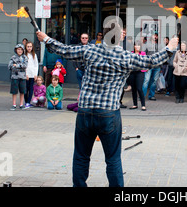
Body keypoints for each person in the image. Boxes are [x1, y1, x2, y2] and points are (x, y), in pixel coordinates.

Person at [36, 23, 178, 187]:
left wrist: (46, 38)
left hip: (85, 111)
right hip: (108, 113)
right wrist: (169, 48)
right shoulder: (125, 57)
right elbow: (151, 61)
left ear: (103, 36)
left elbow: (65, 50)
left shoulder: (89, 50)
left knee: (81, 156)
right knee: (113, 159)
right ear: (120, 37)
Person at [8, 44, 28, 110]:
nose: (20, 51)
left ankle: (21, 104)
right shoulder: (13, 57)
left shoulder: (25, 57)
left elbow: (25, 65)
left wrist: (16, 65)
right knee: (14, 91)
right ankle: (14, 104)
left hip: (23, 77)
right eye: (18, 49)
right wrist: (17, 66)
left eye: (21, 49)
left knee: (22, 91)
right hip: (15, 76)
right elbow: (10, 66)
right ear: (16, 50)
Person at [142, 32, 160, 101]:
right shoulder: (147, 45)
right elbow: (144, 55)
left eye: (156, 36)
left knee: (154, 81)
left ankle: (151, 95)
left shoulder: (159, 45)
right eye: (154, 35)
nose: (155, 37)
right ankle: (142, 95)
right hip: (149, 66)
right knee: (146, 80)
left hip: (157, 66)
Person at [129, 41, 146, 110]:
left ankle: (143, 105)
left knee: (139, 88)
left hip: (140, 72)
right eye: (136, 45)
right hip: (132, 72)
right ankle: (135, 104)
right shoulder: (131, 53)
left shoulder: (143, 53)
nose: (137, 47)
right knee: (134, 89)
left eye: (139, 45)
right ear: (134, 46)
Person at [24, 41, 38, 108]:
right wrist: (25, 74)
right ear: (26, 47)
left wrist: (35, 74)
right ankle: (26, 101)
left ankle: (28, 102)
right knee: (25, 89)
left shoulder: (34, 55)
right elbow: (24, 66)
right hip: (26, 75)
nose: (29, 48)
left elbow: (36, 65)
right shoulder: (24, 55)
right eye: (28, 46)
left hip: (32, 74)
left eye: (30, 46)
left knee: (31, 89)